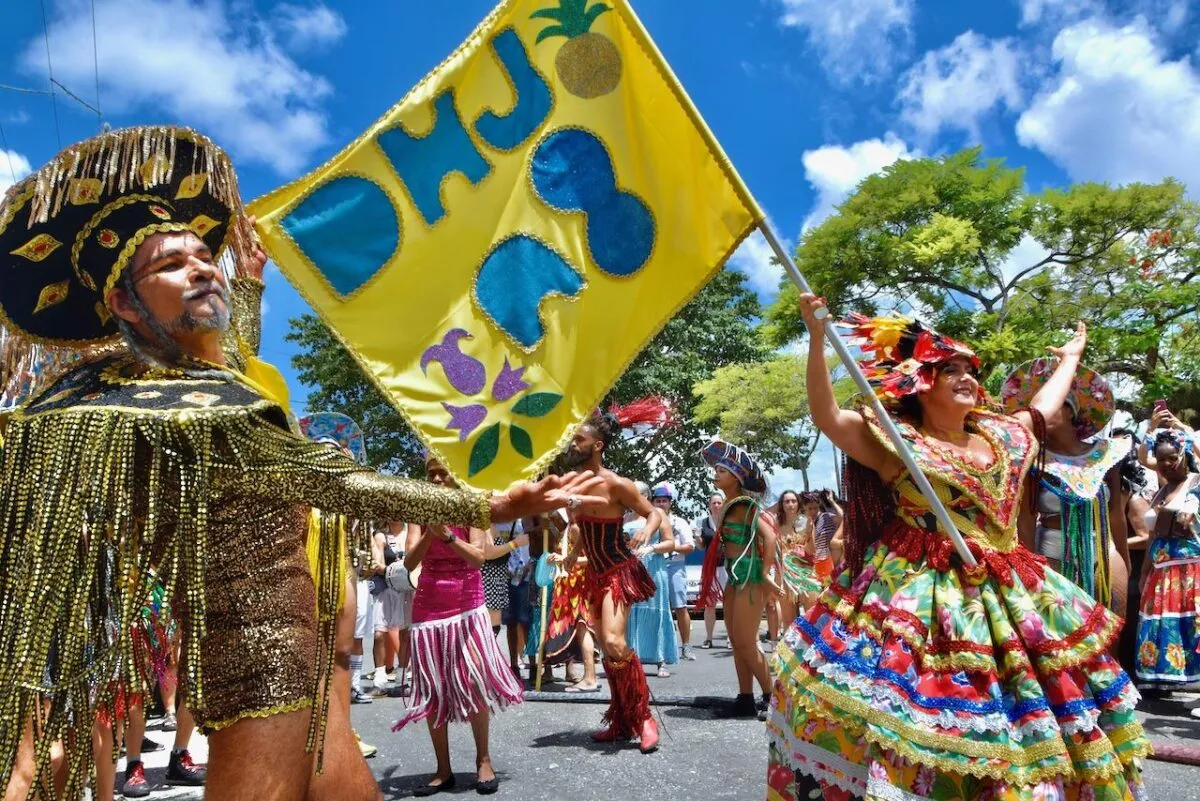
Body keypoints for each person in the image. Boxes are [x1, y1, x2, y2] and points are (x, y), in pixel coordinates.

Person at [0, 126, 603, 801]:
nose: (203, 267)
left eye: (206, 255)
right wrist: (488, 506)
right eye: (172, 265)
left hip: (302, 662)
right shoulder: (170, 412)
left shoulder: (196, 393)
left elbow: (237, 371)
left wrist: (250, 288)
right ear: (121, 304)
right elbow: (336, 479)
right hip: (263, 674)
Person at [767, 298, 1148, 801]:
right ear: (921, 383)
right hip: (918, 594)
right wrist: (817, 340)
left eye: (971, 369)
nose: (967, 376)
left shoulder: (1004, 436)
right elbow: (828, 416)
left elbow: (1042, 410)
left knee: (1035, 706)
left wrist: (1070, 360)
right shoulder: (896, 442)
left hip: (1014, 593)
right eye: (950, 369)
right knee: (909, 709)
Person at [395, 456, 526, 796]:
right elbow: (409, 562)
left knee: (473, 680)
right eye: (431, 474)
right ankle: (443, 769)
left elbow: (480, 557)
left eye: (443, 472)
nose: (437, 479)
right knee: (432, 689)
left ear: (456, 477)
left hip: (467, 606)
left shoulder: (473, 506)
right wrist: (429, 531)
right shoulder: (418, 507)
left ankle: (483, 760)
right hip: (428, 607)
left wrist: (449, 537)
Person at [559, 408, 664, 753]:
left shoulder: (617, 484)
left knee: (614, 641)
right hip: (594, 573)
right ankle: (621, 719)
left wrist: (646, 533)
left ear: (598, 445)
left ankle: (644, 717)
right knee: (607, 648)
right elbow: (579, 525)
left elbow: (653, 512)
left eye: (580, 439)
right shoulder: (572, 482)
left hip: (620, 569)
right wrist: (573, 551)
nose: (573, 444)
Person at [1002, 359, 1132, 615]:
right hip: (1053, 554)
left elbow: (1116, 513)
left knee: (1112, 638)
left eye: (1051, 408)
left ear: (1072, 411)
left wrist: (1126, 563)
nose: (1041, 415)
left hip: (1105, 555)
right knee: (1064, 646)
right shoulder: (1033, 460)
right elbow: (1026, 521)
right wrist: (1029, 573)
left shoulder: (1108, 453)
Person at [696, 441, 781, 719]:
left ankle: (773, 699)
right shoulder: (731, 504)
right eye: (716, 469)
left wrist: (766, 574)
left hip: (748, 576)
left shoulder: (745, 504)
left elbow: (769, 537)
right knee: (736, 640)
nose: (716, 473)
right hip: (735, 574)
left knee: (746, 641)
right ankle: (745, 698)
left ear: (735, 476)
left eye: (721, 470)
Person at [1134, 429, 1200, 687]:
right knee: (1164, 625)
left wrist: (1181, 429)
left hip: (1190, 571)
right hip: (1161, 570)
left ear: (1184, 455)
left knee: (1193, 628)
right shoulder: (1163, 490)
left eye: (1172, 458)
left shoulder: (1195, 483)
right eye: (1160, 460)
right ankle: (1171, 681)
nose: (1166, 464)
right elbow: (1152, 534)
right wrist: (1144, 571)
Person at [625, 482, 678, 677]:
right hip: (631, 570)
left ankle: (661, 659)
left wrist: (652, 548)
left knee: (656, 611)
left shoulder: (657, 514)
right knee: (631, 614)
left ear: (645, 496)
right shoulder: (626, 517)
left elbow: (670, 542)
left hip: (653, 568)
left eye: (635, 495)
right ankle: (633, 658)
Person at [652, 483, 698, 660]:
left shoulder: (680, 522)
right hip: (654, 566)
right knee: (655, 607)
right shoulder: (648, 522)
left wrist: (671, 547)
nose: (661, 504)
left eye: (664, 501)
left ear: (669, 503)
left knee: (680, 606)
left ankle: (686, 646)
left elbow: (690, 547)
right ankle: (657, 647)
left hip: (674, 565)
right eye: (658, 501)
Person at [371, 521, 414, 694]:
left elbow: (415, 561)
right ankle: (379, 681)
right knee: (379, 634)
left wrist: (389, 568)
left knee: (406, 633)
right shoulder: (380, 536)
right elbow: (377, 565)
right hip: (386, 589)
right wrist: (395, 568)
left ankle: (404, 680)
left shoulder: (410, 532)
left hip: (406, 590)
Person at [775, 491, 823, 633]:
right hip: (786, 576)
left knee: (813, 617)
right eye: (787, 501)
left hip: (805, 574)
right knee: (789, 620)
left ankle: (815, 651)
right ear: (782, 505)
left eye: (793, 501)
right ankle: (790, 653)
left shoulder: (805, 522)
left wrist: (809, 533)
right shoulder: (777, 525)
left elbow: (811, 551)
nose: (790, 504)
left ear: (798, 503)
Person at [694, 492, 727, 649]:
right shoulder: (704, 522)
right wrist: (697, 537)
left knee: (729, 604)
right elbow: (701, 546)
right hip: (710, 567)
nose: (716, 506)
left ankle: (730, 638)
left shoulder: (729, 521)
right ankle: (709, 638)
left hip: (727, 567)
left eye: (719, 503)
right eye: (714, 503)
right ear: (709, 505)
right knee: (710, 604)